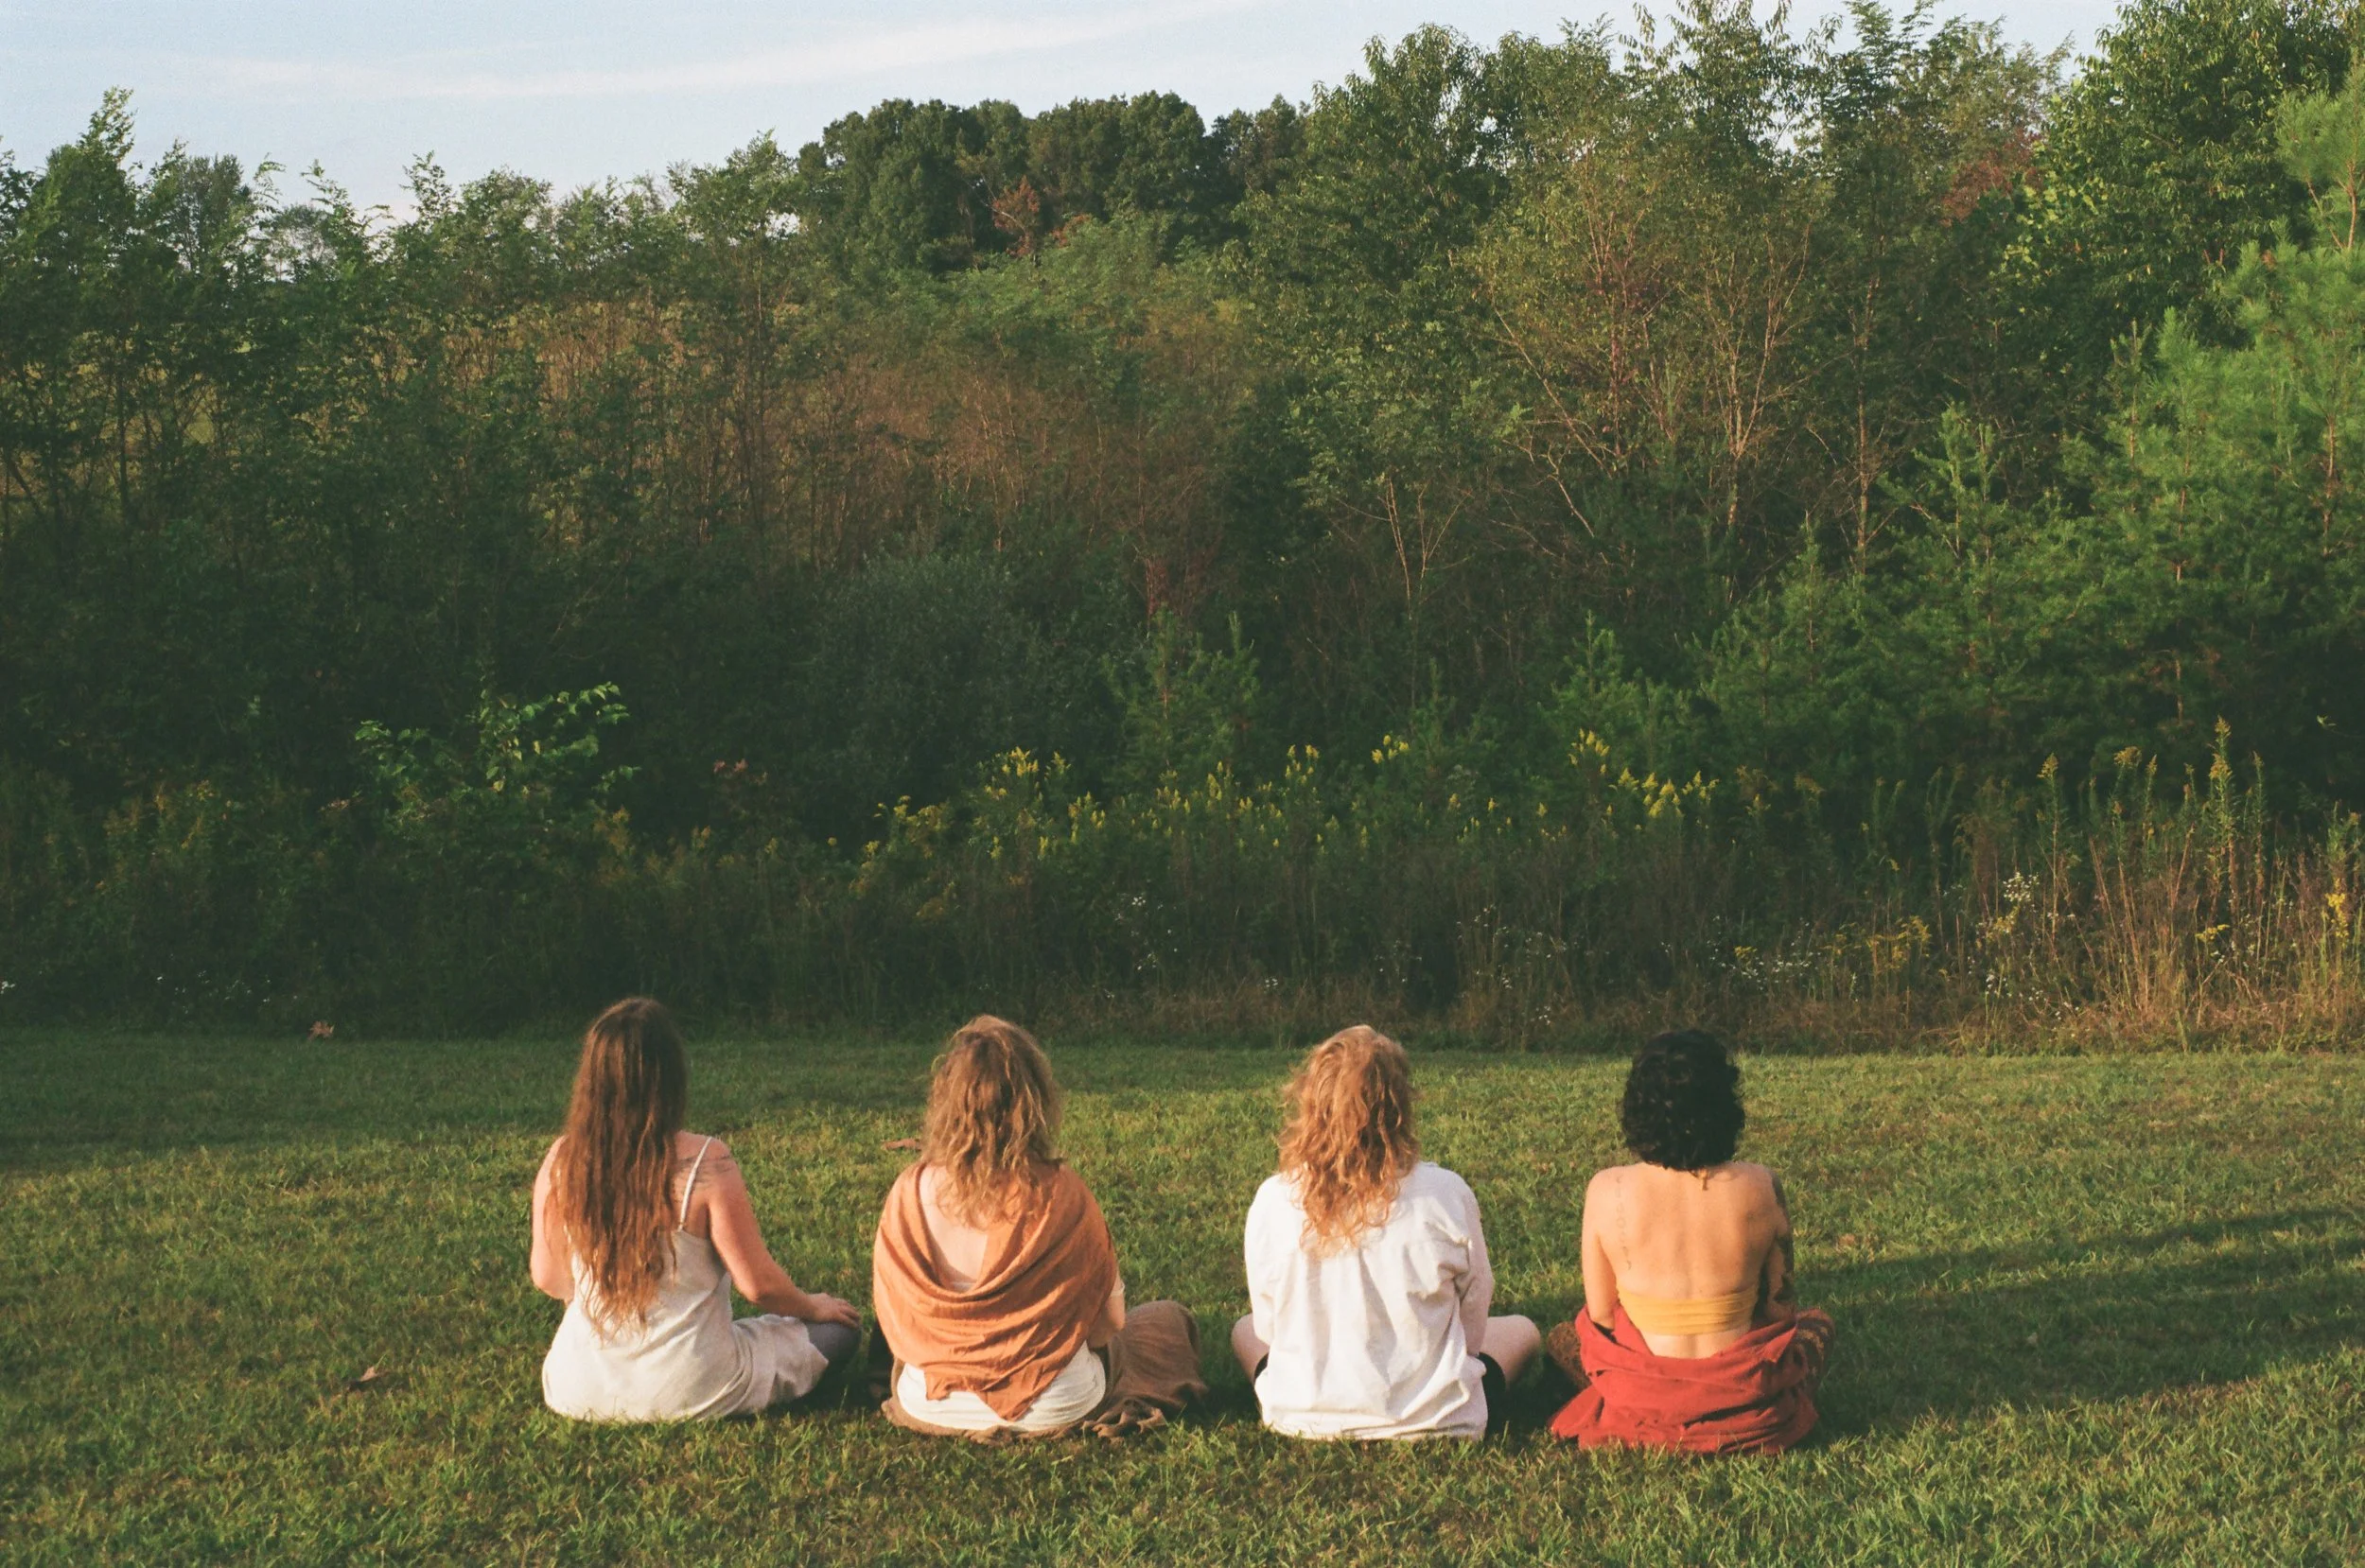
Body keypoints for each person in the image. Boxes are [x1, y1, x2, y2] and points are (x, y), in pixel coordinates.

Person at [870, 1015, 1206, 1439]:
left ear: (945, 1103)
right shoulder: (1063, 1195)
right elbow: (1108, 1325)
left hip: (930, 1402)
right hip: (1054, 1404)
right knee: (1166, 1320)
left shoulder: (908, 1191)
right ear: (1035, 1102)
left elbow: (894, 1319)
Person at [533, 998, 862, 1421]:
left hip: (577, 1386)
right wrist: (814, 1306)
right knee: (839, 1333)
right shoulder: (707, 1161)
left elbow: (548, 1278)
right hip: (693, 1385)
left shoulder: (562, 1161)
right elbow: (759, 1287)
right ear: (671, 1076)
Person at [1233, 1025, 1539, 1440]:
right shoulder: (1445, 1193)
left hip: (1301, 1417)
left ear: (1310, 1104)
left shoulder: (1274, 1198)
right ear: (1399, 1107)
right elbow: (1473, 1321)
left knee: (1243, 1329)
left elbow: (1268, 1328)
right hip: (1436, 1419)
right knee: (1523, 1329)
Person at [1547, 1029, 1834, 1455]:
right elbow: (1781, 1310)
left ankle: (1657, 1416)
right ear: (1724, 1106)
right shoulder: (1761, 1185)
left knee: (1560, 1338)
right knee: (1819, 1325)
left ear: (1637, 1108)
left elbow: (1603, 1316)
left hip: (1643, 1398)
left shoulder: (1607, 1189)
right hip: (1743, 1399)